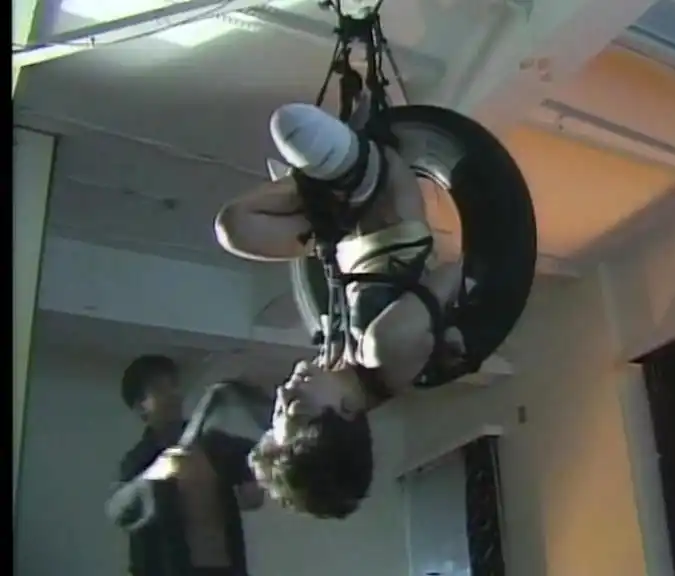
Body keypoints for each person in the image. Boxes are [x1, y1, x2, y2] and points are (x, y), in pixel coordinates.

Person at [214, 102, 466, 519]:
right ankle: (330, 176)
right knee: (291, 126)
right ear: (347, 412)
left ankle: (317, 185)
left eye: (278, 411)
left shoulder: (336, 360)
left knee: (232, 227)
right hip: (378, 195)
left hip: (338, 231)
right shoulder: (384, 350)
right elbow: (455, 272)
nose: (283, 393)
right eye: (296, 408)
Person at [105, 355, 264, 576]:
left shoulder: (214, 444)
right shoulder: (138, 460)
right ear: (141, 406)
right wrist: (154, 474)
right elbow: (118, 511)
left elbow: (253, 491)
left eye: (173, 386)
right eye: (159, 389)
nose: (173, 394)